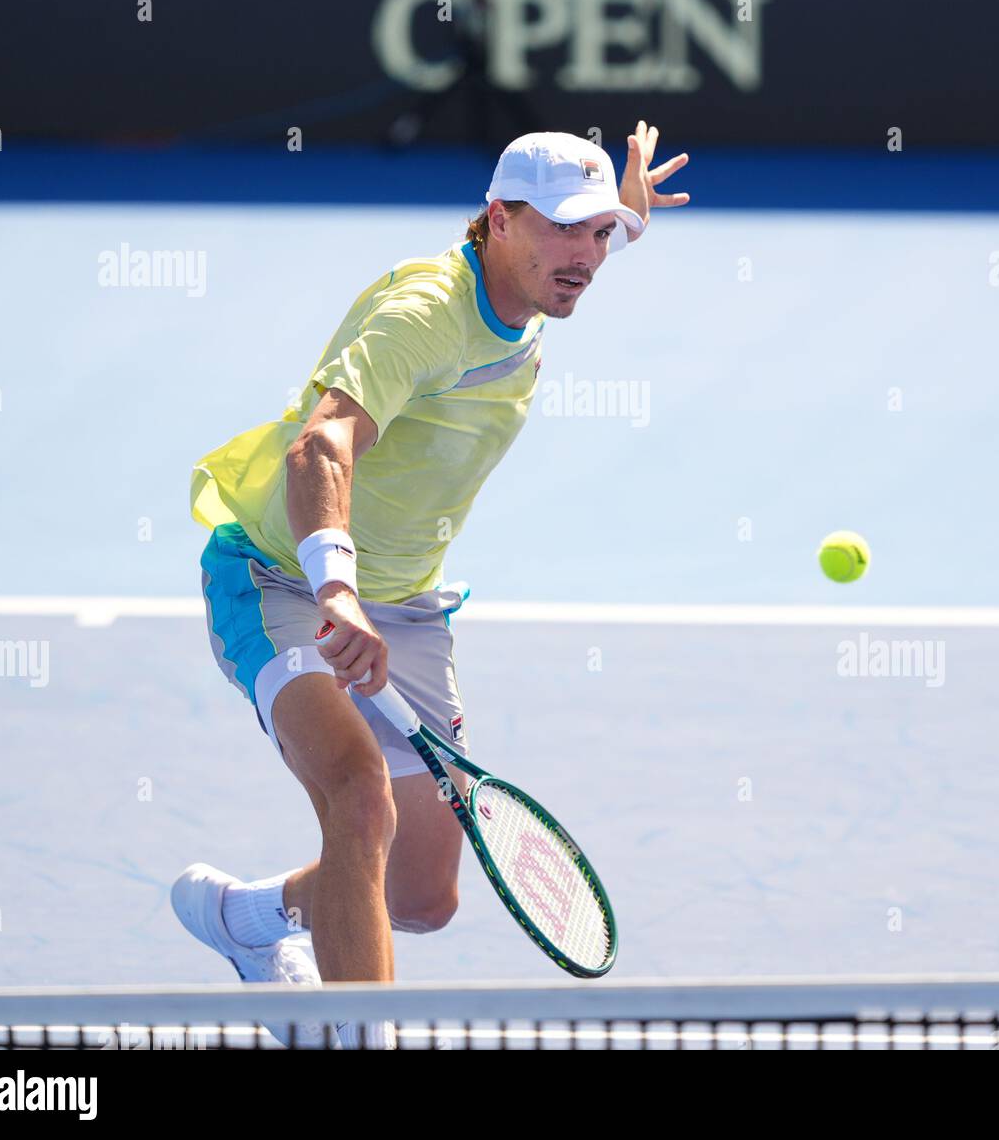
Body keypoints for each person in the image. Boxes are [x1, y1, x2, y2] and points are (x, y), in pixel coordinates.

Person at [173, 125, 688, 1046]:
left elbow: (591, 239)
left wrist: (628, 205)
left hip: (407, 603)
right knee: (357, 793)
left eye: (600, 234)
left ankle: (249, 921)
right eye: (567, 230)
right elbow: (319, 445)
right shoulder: (421, 315)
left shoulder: (542, 269)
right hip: (281, 571)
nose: (586, 256)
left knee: (419, 898)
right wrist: (334, 590)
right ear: (498, 218)